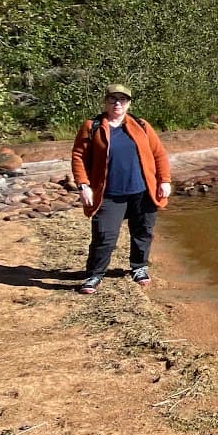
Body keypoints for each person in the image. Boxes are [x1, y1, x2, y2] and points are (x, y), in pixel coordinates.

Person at [70, 84, 172, 294]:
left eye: (122, 100)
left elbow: (159, 154)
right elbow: (78, 156)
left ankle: (139, 267)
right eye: (113, 99)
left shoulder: (141, 125)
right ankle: (94, 275)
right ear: (105, 102)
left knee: (143, 232)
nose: (117, 103)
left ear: (129, 103)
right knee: (104, 236)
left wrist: (164, 181)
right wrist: (83, 185)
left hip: (143, 192)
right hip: (109, 194)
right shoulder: (92, 126)